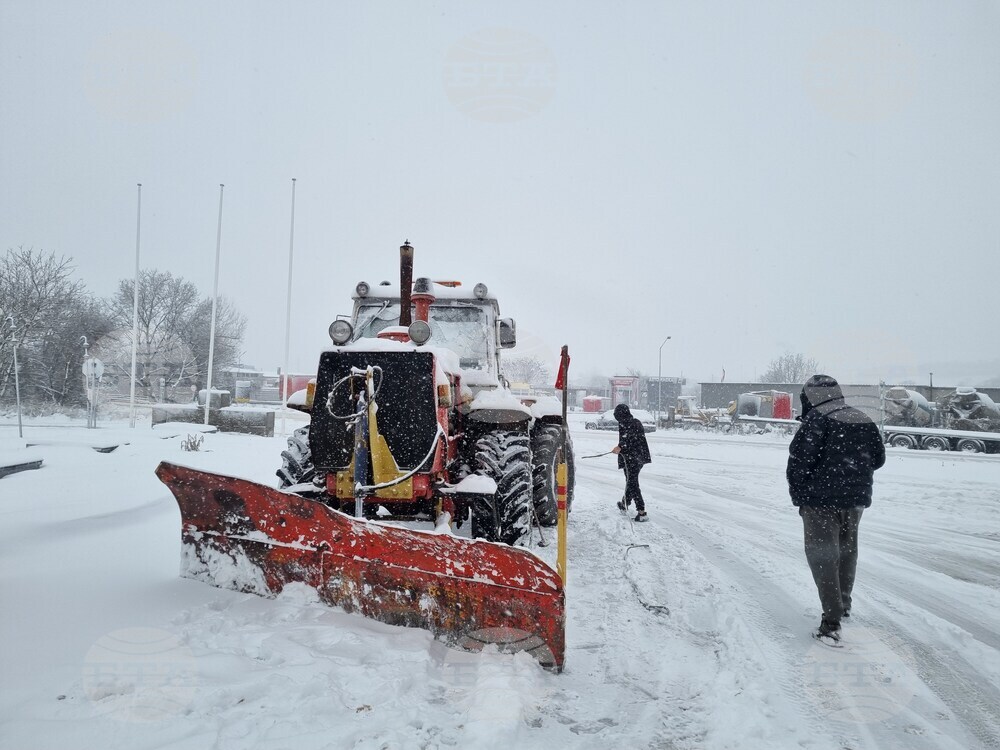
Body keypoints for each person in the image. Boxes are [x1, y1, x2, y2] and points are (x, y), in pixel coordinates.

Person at [787, 374, 885, 642]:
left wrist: (801, 495)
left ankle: (831, 623)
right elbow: (878, 458)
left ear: (811, 397)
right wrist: (852, 474)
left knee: (822, 556)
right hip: (854, 501)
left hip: (820, 501)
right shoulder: (861, 418)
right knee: (847, 551)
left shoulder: (816, 421)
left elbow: (799, 463)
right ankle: (843, 604)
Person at [612, 403, 651, 522]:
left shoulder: (626, 423)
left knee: (633, 483)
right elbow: (632, 438)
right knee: (630, 481)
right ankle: (625, 503)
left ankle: (642, 511)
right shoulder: (635, 421)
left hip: (631, 458)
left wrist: (619, 447)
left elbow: (626, 439)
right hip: (640, 457)